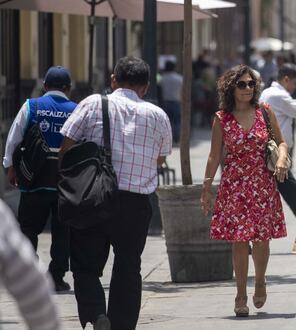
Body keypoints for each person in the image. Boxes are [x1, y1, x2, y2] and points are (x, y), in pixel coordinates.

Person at [59, 56, 172, 329]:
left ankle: (97, 313)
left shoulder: (92, 103)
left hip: (93, 196)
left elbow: (66, 147)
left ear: (113, 79)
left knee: (84, 264)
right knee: (129, 267)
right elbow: (160, 159)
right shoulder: (158, 116)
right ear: (145, 87)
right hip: (135, 204)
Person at [200, 65, 288, 317]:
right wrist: (206, 189)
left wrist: (281, 158)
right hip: (234, 186)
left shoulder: (264, 112)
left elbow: (281, 142)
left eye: (251, 84)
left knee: (261, 239)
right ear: (231, 88)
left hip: (262, 184)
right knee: (238, 241)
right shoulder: (221, 118)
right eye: (242, 84)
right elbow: (214, 156)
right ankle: (240, 293)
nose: (248, 88)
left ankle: (259, 281)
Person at [3, 66, 76, 292]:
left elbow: (14, 138)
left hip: (34, 180)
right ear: (68, 89)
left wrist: (10, 167)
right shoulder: (77, 110)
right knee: (63, 232)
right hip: (66, 184)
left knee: (27, 229)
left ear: (44, 86)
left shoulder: (31, 106)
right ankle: (56, 277)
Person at [259, 64, 296, 222]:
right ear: (286, 79)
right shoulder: (277, 95)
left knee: (294, 195)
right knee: (295, 195)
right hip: (275, 156)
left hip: (274, 155)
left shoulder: (269, 93)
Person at [0, 199, 60, 330]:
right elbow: (32, 285)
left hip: (33, 191)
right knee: (59, 229)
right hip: (50, 192)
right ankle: (58, 275)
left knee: (29, 227)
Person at [159, 60, 183, 144]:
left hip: (166, 101)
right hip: (176, 101)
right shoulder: (179, 78)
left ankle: (168, 138)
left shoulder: (163, 78)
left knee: (166, 122)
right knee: (177, 121)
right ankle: (177, 137)